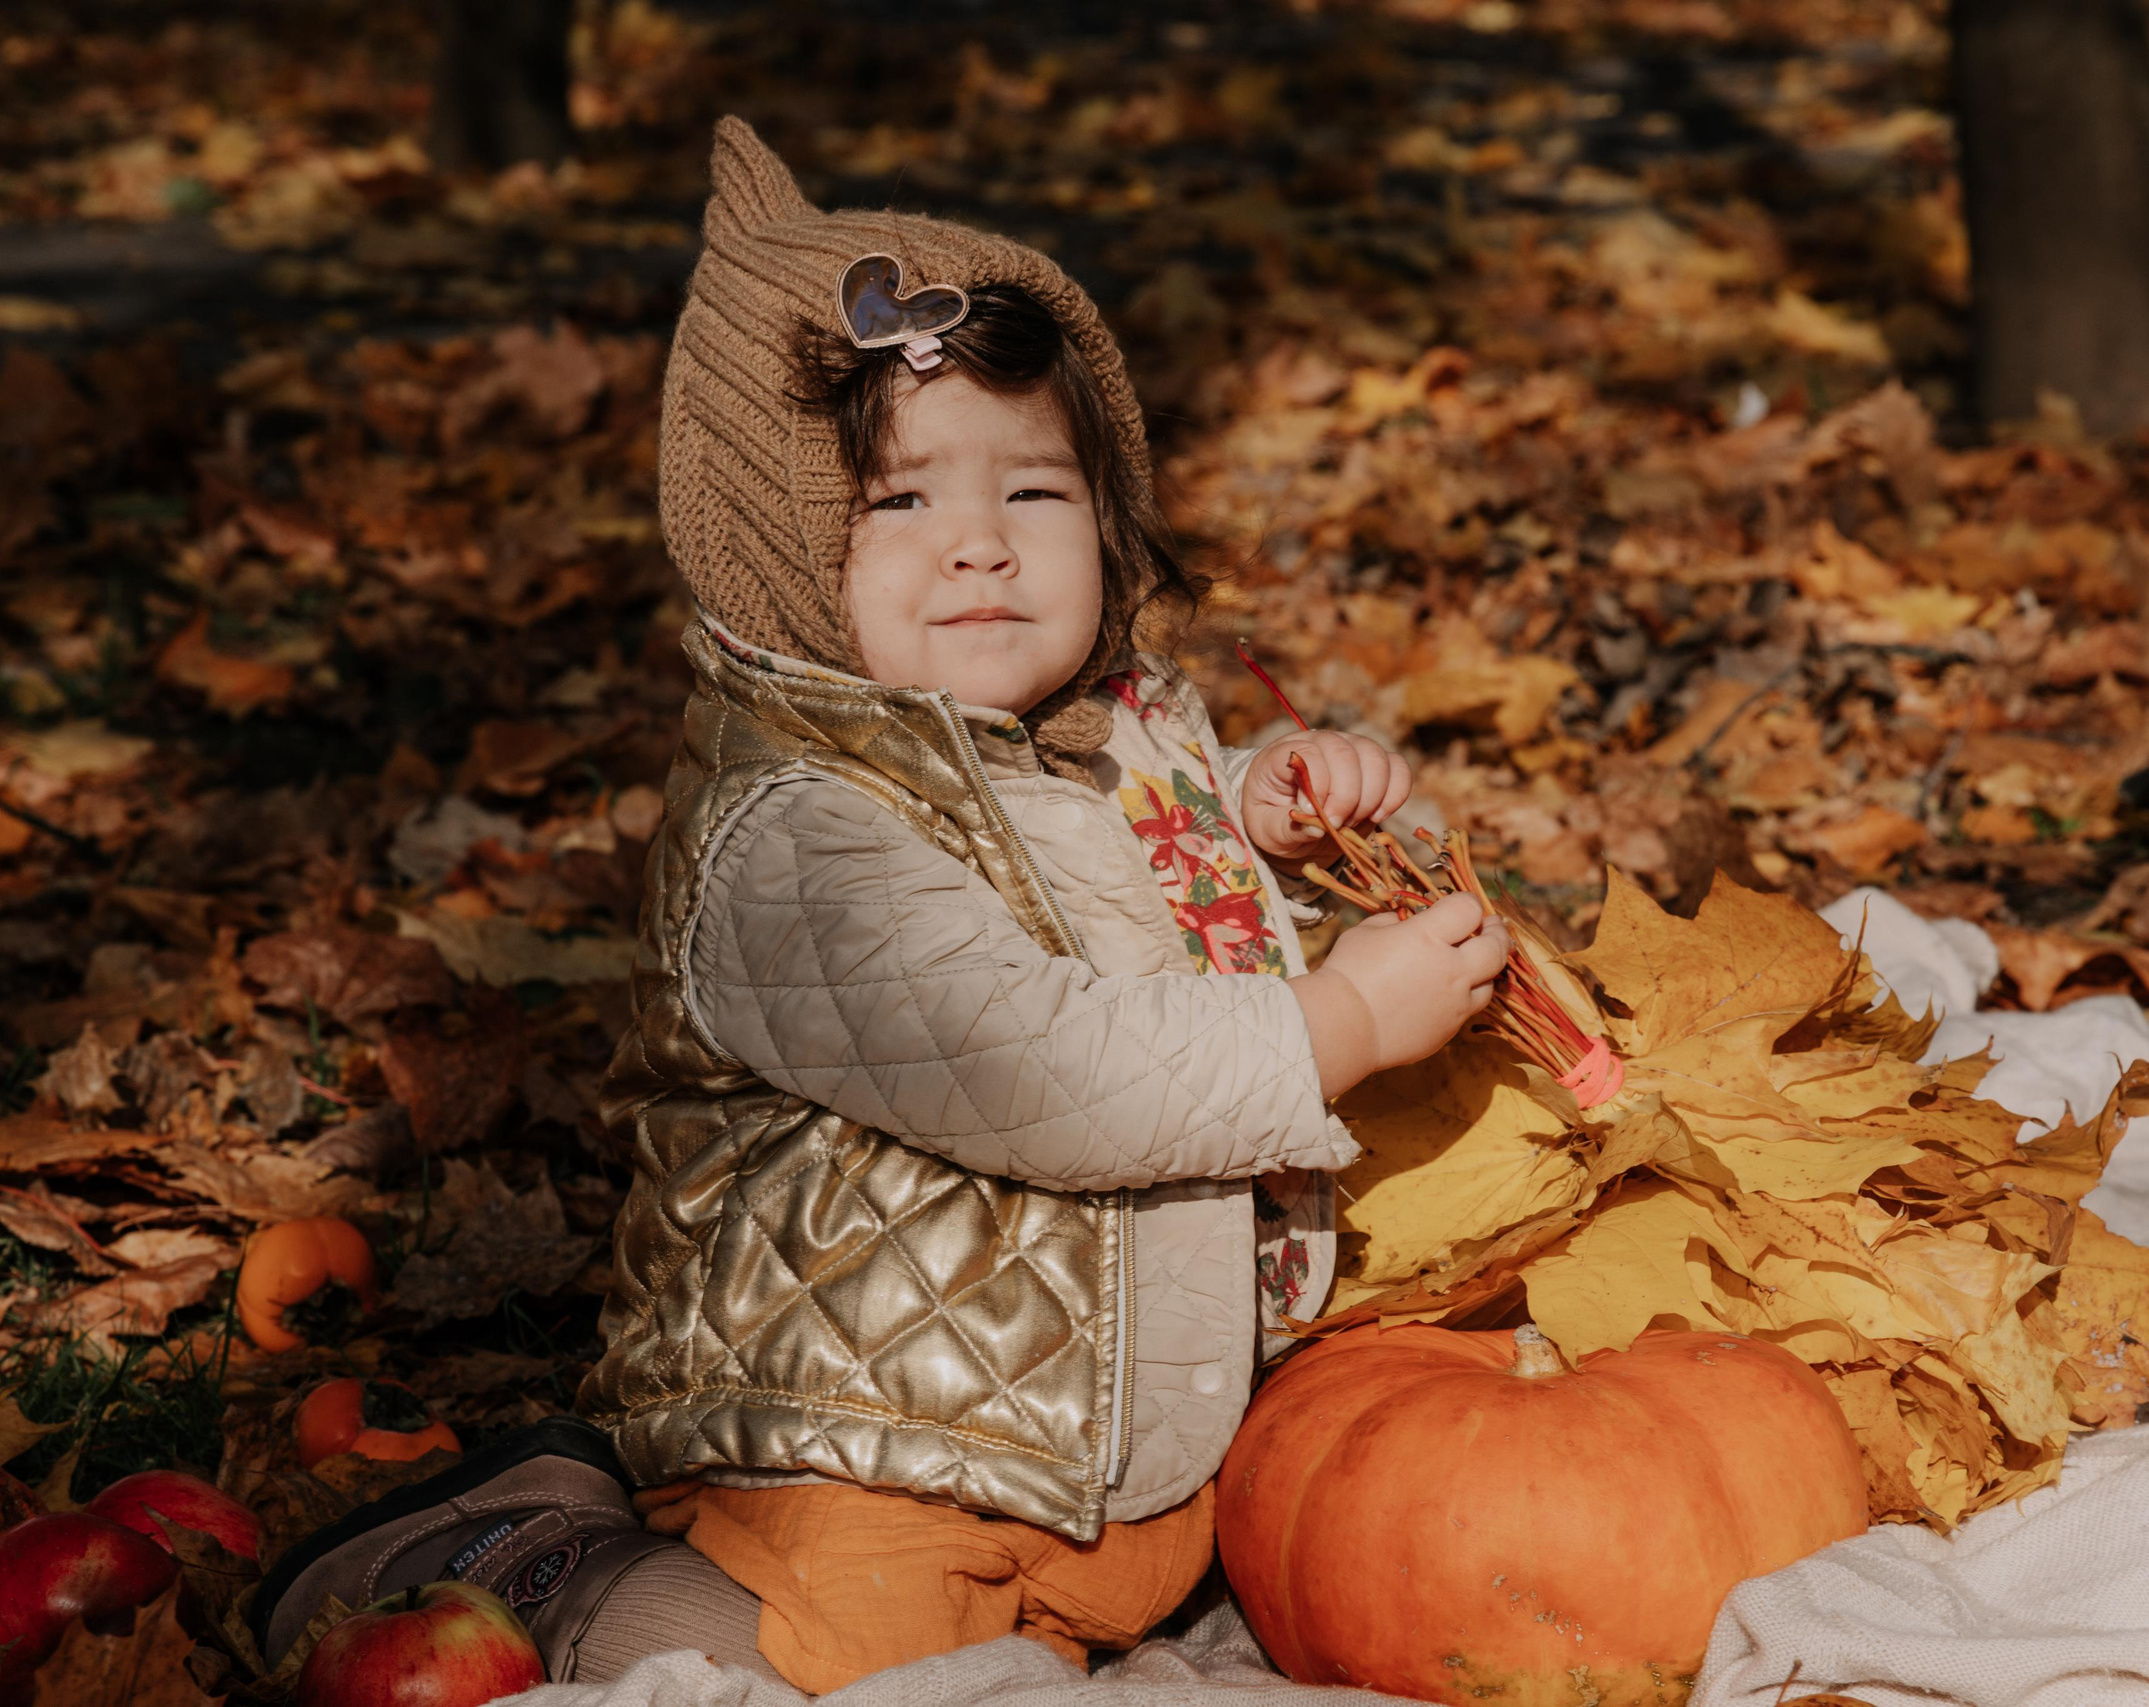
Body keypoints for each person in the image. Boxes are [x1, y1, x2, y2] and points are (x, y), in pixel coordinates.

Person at [251, 116, 1507, 1693]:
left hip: (1110, 1452)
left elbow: (1133, 891)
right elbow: (1040, 1065)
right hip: (862, 1446)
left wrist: (1259, 814)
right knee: (802, 1676)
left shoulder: (1109, 733)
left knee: (1110, 1629)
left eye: (1036, 491)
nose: (980, 543)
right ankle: (546, 1555)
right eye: (899, 504)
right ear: (777, 554)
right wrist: (1338, 1022)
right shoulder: (793, 839)